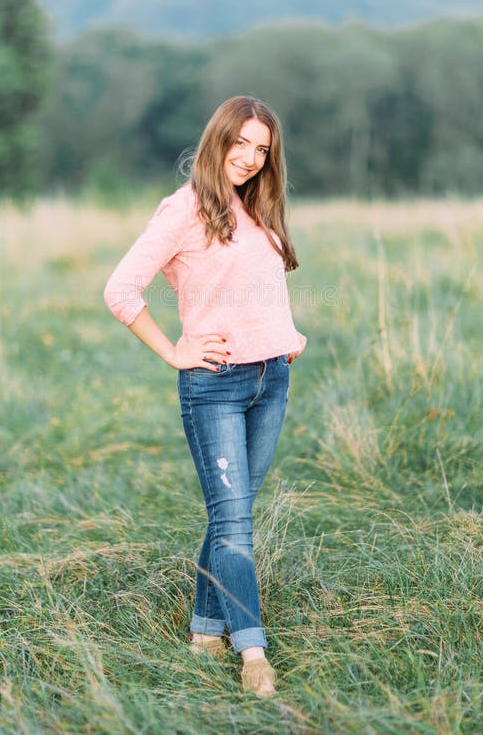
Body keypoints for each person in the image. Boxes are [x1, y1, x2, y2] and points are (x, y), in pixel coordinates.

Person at [103, 95, 306, 697]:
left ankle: (203, 631)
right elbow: (120, 291)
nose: (248, 158)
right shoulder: (183, 210)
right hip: (215, 385)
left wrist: (288, 337)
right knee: (235, 522)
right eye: (239, 143)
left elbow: (260, 289)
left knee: (229, 515)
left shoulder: (255, 209)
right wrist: (174, 352)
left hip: (272, 380)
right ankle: (252, 653)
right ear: (216, 139)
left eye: (261, 149)